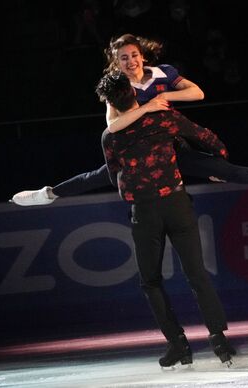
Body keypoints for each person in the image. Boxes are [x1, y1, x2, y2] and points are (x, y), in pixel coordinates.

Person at [11, 34, 248, 206]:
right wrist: (145, 109)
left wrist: (164, 100)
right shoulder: (115, 85)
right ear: (116, 61)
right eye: (123, 57)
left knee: (224, 169)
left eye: (134, 55)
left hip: (169, 140)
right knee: (94, 177)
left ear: (142, 55)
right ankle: (48, 194)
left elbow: (197, 94)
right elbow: (112, 125)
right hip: (134, 150)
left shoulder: (162, 74)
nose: (130, 60)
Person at [98, 70, 235, 367]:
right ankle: (219, 340)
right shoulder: (163, 117)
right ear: (134, 93)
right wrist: (219, 163)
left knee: (150, 281)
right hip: (176, 203)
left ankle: (178, 344)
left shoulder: (110, 136)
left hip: (144, 211)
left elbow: (113, 175)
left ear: (110, 104)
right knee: (196, 273)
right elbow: (206, 137)